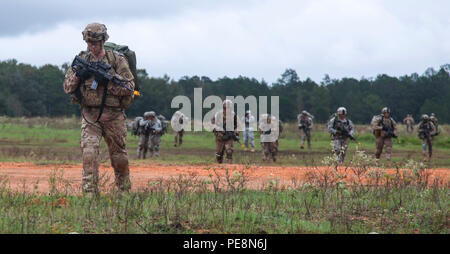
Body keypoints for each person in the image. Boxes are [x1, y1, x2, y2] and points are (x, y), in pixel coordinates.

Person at [63, 23, 135, 195]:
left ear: (103, 40)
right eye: (89, 43)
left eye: (95, 42)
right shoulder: (82, 60)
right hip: (90, 116)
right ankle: (89, 194)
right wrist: (78, 76)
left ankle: (123, 191)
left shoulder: (116, 60)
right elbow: (67, 87)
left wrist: (108, 82)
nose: (92, 46)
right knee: (89, 153)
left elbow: (129, 87)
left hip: (113, 116)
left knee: (119, 156)